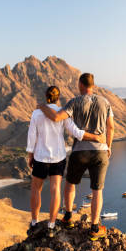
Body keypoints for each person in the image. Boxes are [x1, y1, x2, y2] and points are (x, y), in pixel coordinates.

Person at [38, 73, 114, 241]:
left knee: (70, 184)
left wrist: (42, 107)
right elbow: (111, 127)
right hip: (100, 151)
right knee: (97, 190)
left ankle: (67, 217)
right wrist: (108, 146)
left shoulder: (74, 102)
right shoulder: (105, 102)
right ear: (93, 85)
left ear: (81, 85)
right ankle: (95, 228)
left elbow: (57, 117)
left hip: (80, 152)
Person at [26, 85, 104, 236]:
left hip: (40, 157)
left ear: (46, 96)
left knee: (36, 189)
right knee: (55, 189)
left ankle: (34, 222)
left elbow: (31, 136)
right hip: (58, 158)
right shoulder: (63, 114)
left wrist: (30, 155)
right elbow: (76, 132)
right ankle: (51, 225)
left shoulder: (36, 113)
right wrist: (96, 137)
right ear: (58, 97)